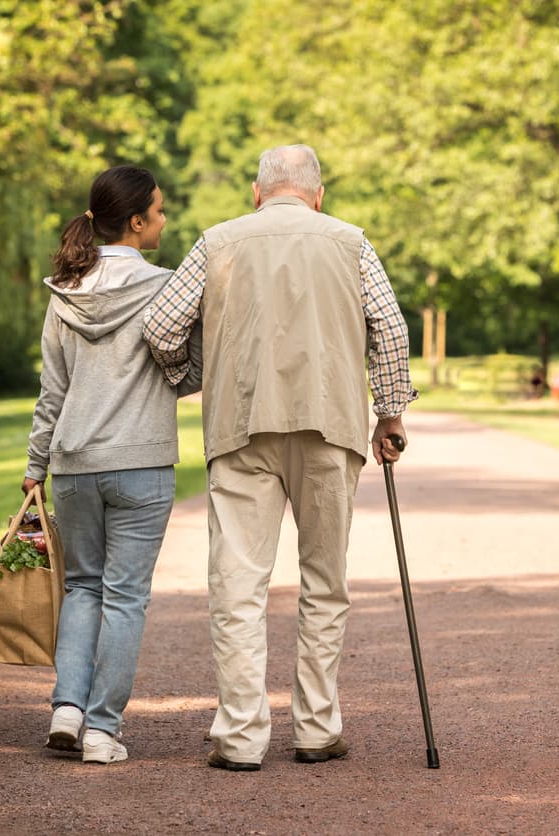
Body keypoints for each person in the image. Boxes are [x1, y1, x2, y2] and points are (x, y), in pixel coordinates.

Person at [143, 144, 416, 771]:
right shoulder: (350, 242)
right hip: (331, 426)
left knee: (238, 585)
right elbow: (392, 329)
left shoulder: (217, 241)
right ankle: (317, 729)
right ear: (318, 195)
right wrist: (391, 412)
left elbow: (160, 326)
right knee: (325, 582)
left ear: (256, 192)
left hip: (241, 427)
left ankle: (240, 737)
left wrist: (191, 374)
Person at [22, 164, 199, 765]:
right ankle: (102, 730)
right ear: (137, 221)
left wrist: (35, 465)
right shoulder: (167, 288)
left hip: (72, 464)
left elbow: (53, 391)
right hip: (142, 464)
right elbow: (190, 372)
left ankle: (67, 709)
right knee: (125, 597)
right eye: (160, 209)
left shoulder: (63, 292)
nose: (165, 218)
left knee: (81, 589)